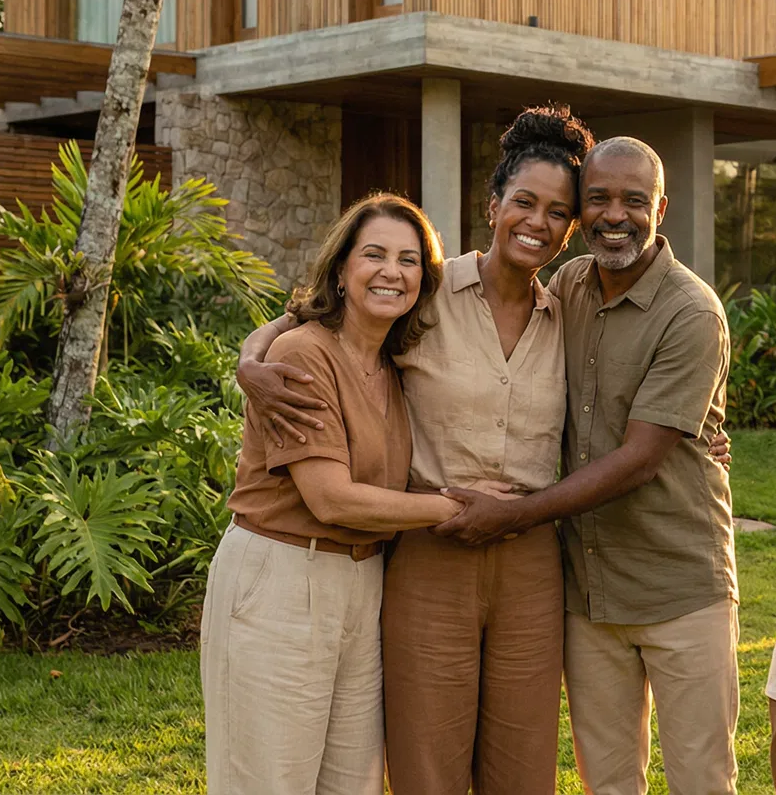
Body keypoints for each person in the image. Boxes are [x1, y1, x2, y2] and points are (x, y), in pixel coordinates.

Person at [238, 106, 592, 794]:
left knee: (523, 766)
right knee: (426, 761)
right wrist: (250, 358)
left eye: (557, 212)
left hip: (529, 556)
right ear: (493, 207)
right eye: (524, 203)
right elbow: (321, 311)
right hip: (431, 551)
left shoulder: (569, 311)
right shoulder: (429, 291)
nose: (537, 222)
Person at [433, 136, 737, 795]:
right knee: (609, 781)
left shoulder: (691, 312)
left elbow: (638, 459)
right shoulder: (566, 285)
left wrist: (514, 516)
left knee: (701, 781)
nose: (614, 215)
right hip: (590, 591)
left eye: (633, 200)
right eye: (596, 199)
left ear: (661, 206)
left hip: (679, 586)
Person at [202, 194, 459, 795]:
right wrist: (459, 505)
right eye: (374, 255)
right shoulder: (301, 354)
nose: (392, 271)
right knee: (268, 781)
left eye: (409, 259)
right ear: (342, 269)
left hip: (362, 585)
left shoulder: (393, 366)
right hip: (282, 581)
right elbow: (332, 499)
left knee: (353, 784)